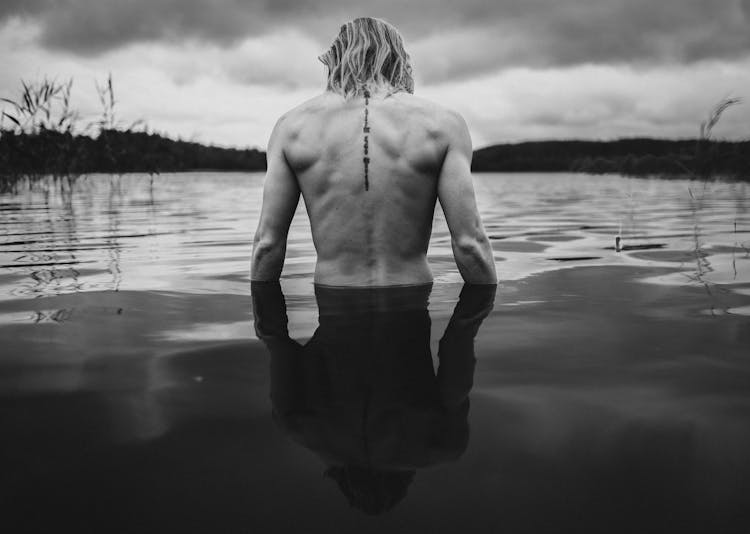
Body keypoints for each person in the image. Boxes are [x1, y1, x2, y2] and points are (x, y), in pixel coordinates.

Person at [250, 17, 497, 286]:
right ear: (397, 58)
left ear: (336, 58)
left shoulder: (291, 127)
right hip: (409, 299)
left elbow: (267, 245)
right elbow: (470, 244)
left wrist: (268, 327)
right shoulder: (443, 124)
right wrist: (472, 322)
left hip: (336, 300)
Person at [251, 280, 496, 514]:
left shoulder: (297, 424)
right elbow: (459, 342)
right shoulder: (444, 443)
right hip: (407, 290)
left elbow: (277, 342)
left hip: (338, 292)